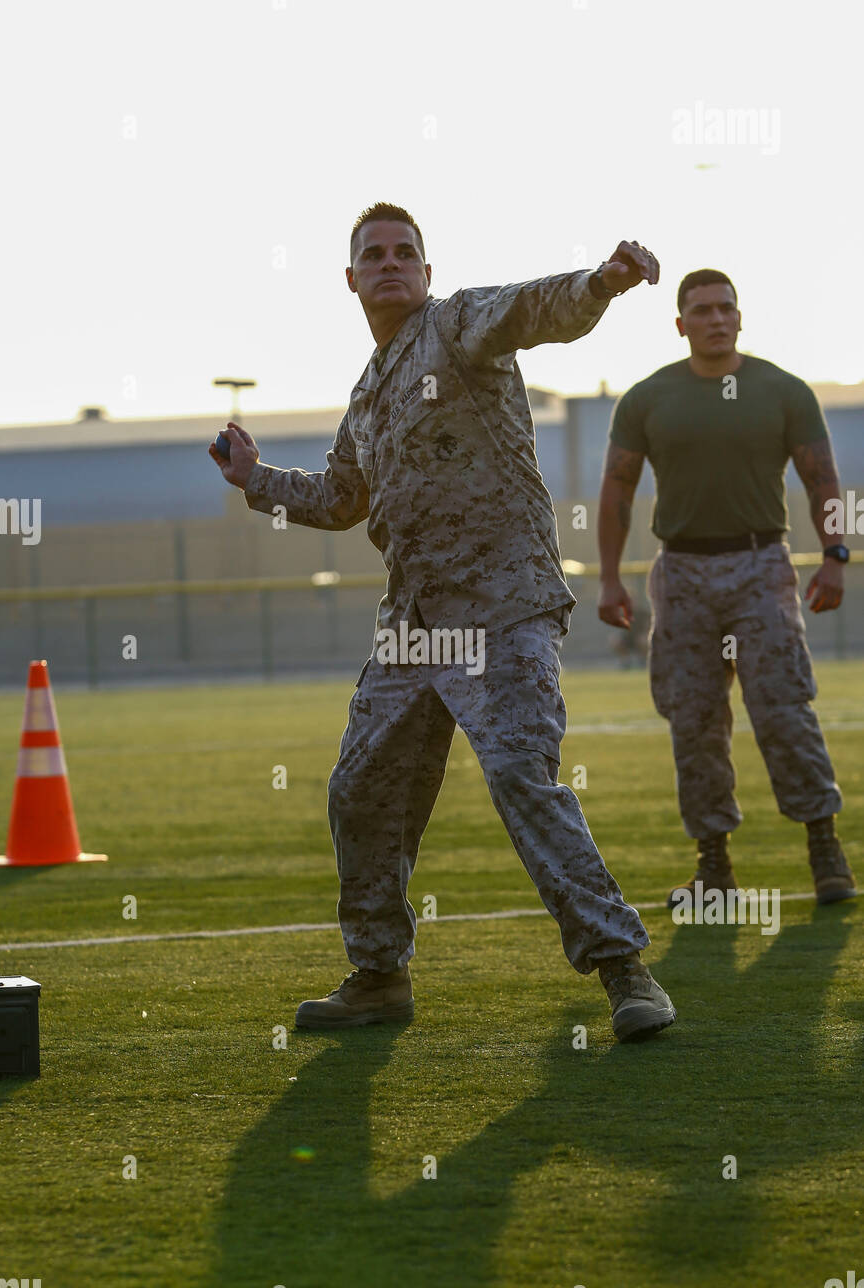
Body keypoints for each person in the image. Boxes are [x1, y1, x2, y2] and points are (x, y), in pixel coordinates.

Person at [210, 202, 675, 1043]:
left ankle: (624, 970)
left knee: (519, 777)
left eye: (405, 254)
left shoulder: (456, 326)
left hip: (502, 605)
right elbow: (343, 499)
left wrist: (600, 283)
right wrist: (256, 477)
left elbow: (533, 309)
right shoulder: (367, 394)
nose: (390, 265)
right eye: (373, 256)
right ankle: (379, 976)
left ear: (425, 270)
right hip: (415, 624)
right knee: (360, 791)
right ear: (351, 279)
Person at [597, 268, 855, 908]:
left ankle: (824, 847)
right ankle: (714, 865)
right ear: (680, 323)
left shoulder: (783, 391)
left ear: (740, 318)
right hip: (681, 574)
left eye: (725, 308)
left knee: (783, 707)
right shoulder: (648, 399)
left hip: (760, 566)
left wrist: (836, 557)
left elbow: (823, 480)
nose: (716, 319)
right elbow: (617, 490)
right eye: (702, 310)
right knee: (694, 720)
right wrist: (607, 577)